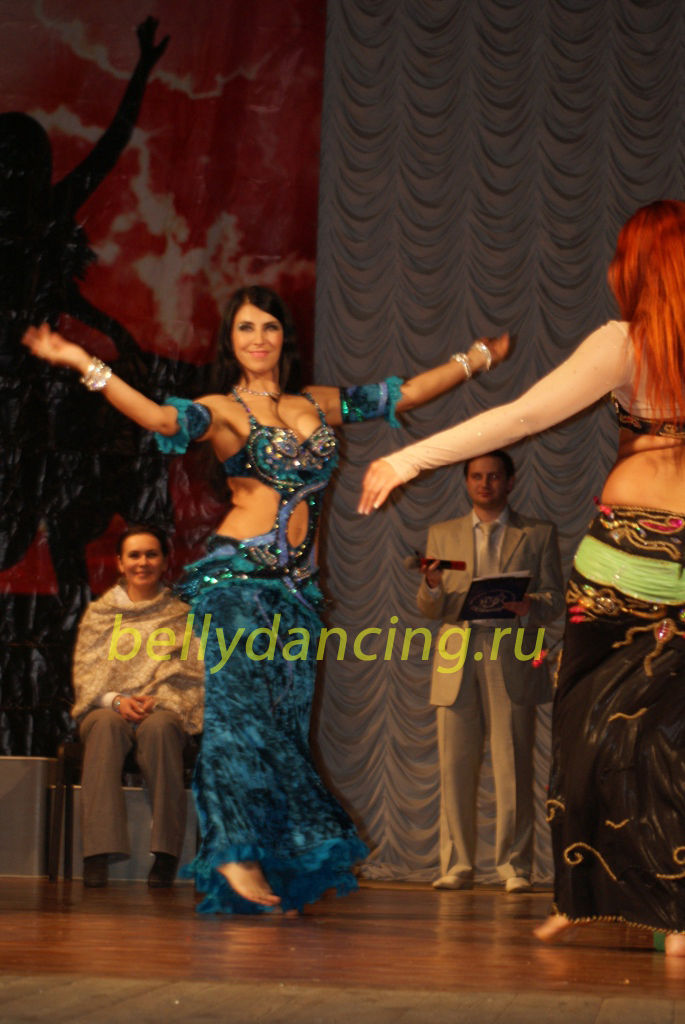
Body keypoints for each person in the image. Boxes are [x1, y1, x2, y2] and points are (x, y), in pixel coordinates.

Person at [23, 285, 508, 914]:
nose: (259, 339)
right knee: (238, 717)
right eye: (246, 328)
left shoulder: (316, 402)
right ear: (231, 341)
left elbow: (405, 394)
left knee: (283, 727)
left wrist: (477, 358)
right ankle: (233, 849)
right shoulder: (222, 410)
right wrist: (80, 361)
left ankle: (272, 857)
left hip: (296, 595)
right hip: (239, 583)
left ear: (284, 337)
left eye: (270, 327)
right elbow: (159, 419)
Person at [360, 199, 685, 956]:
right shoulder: (636, 345)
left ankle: (611, 901)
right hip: (660, 563)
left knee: (597, 731)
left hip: (625, 559)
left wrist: (408, 458)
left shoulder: (625, 341)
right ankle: (638, 910)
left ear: (637, 265)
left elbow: (521, 417)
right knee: (652, 734)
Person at [419, 451, 563, 893]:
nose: (485, 484)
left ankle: (514, 866)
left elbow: (555, 599)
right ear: (466, 482)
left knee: (513, 764)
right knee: (454, 767)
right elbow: (430, 608)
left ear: (510, 481)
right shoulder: (442, 534)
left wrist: (529, 605)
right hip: (457, 654)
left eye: (494, 476)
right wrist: (431, 585)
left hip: (511, 650)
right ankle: (457, 864)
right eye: (477, 477)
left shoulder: (537, 533)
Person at [72, 524, 203, 888]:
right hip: (107, 708)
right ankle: (97, 853)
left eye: (151, 554)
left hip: (163, 707)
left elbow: (193, 673)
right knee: (105, 725)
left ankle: (166, 854)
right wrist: (116, 700)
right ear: (120, 562)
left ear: (164, 561)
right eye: (134, 555)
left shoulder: (182, 615)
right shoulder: (100, 614)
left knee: (160, 728)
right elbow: (87, 675)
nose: (142, 562)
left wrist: (157, 700)